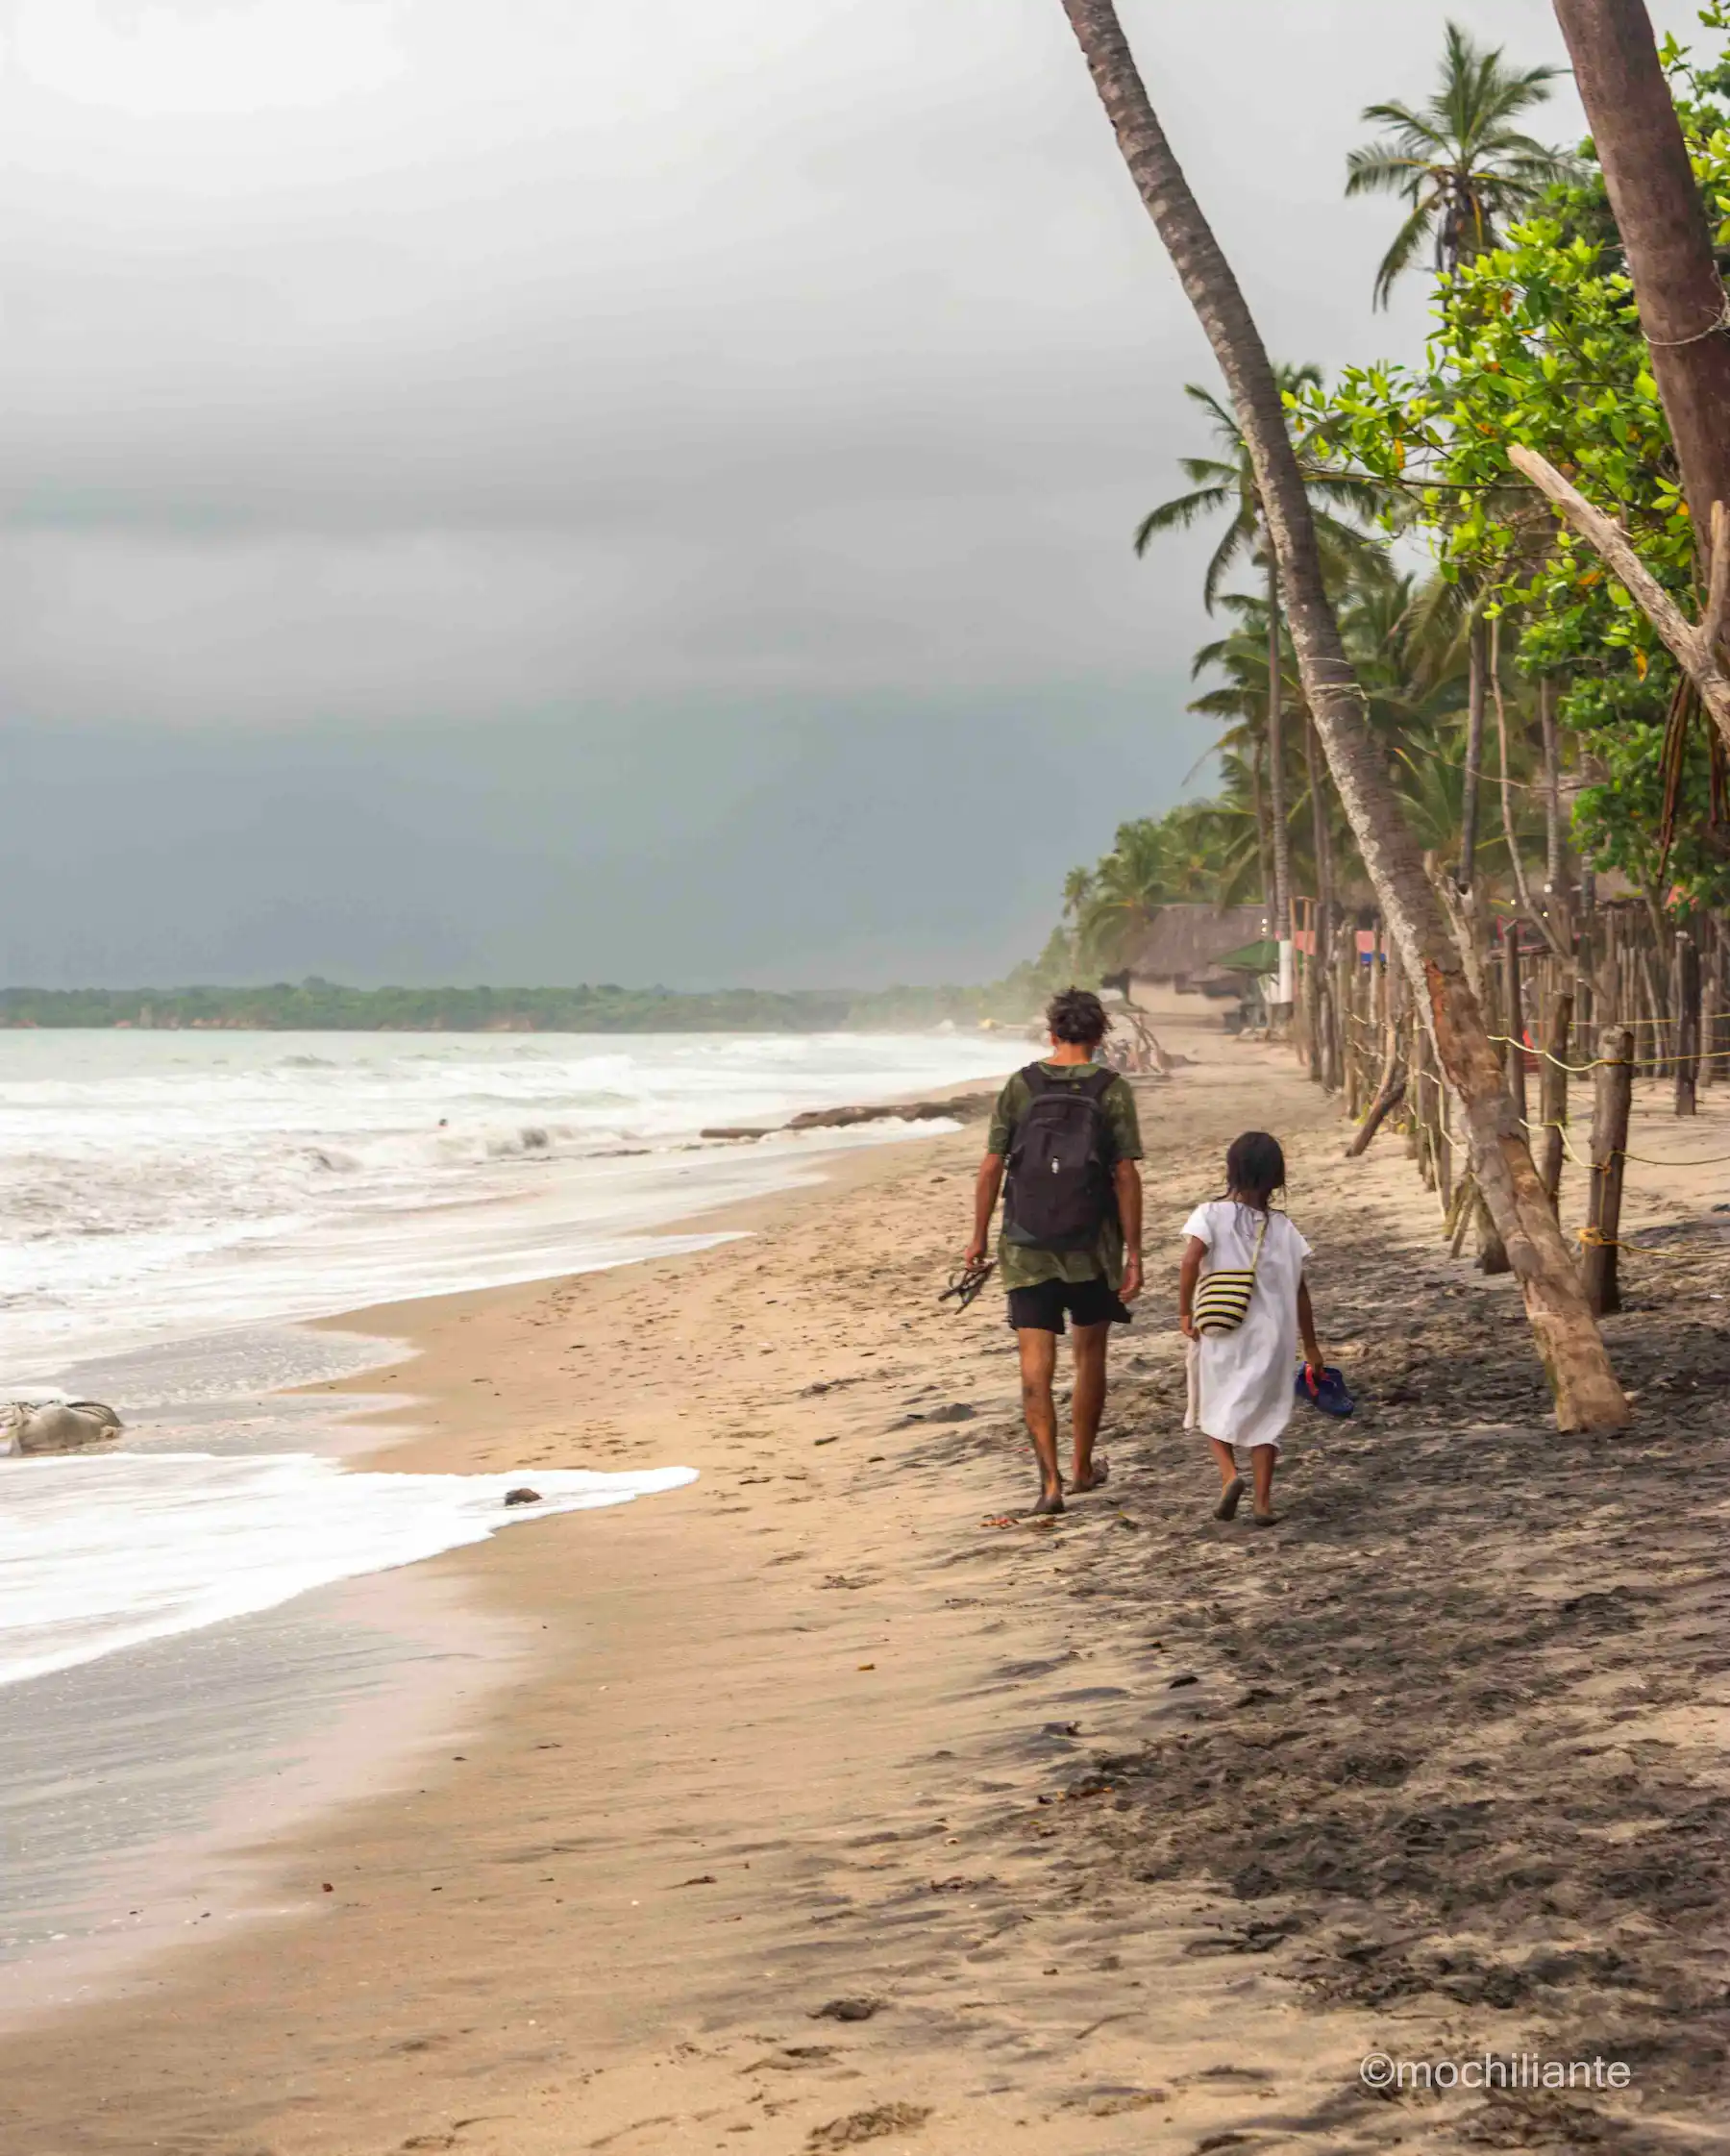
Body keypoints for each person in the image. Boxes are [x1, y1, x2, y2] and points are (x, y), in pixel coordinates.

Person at [965, 987, 1144, 1516]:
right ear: (1099, 1036)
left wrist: (977, 1237)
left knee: (1034, 1367)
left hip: (1027, 1244)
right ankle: (1084, 1466)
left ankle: (1049, 1484)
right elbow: (1126, 1174)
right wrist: (1134, 1252)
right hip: (1093, 1246)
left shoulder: (1021, 1086)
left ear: (1052, 1033)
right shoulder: (1112, 1089)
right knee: (1089, 1358)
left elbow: (992, 1166)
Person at [1177, 1130, 1322, 1528]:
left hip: (1222, 1326)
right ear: (1277, 1176)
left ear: (1232, 1170)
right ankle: (1262, 1503)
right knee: (1267, 1417)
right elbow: (1300, 1290)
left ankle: (1228, 1475)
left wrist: (1184, 1312)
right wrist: (1311, 1347)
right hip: (1272, 1336)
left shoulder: (1208, 1214)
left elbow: (1190, 1261)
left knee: (1212, 1403)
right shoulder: (1283, 1228)